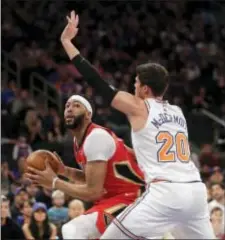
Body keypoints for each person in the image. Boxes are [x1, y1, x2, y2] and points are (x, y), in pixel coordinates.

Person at [58, 10, 215, 239]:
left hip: (165, 192)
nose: (133, 87)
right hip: (195, 191)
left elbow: (97, 82)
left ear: (144, 89)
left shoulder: (140, 107)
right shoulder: (177, 111)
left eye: (135, 83)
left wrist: (67, 43)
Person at [26, 95, 145, 239]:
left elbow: (93, 191)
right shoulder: (80, 140)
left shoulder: (96, 138)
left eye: (76, 106)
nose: (70, 109)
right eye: (67, 106)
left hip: (131, 200)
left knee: (72, 230)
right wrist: (65, 171)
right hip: (115, 200)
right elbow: (93, 179)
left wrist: (55, 182)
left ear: (88, 115)